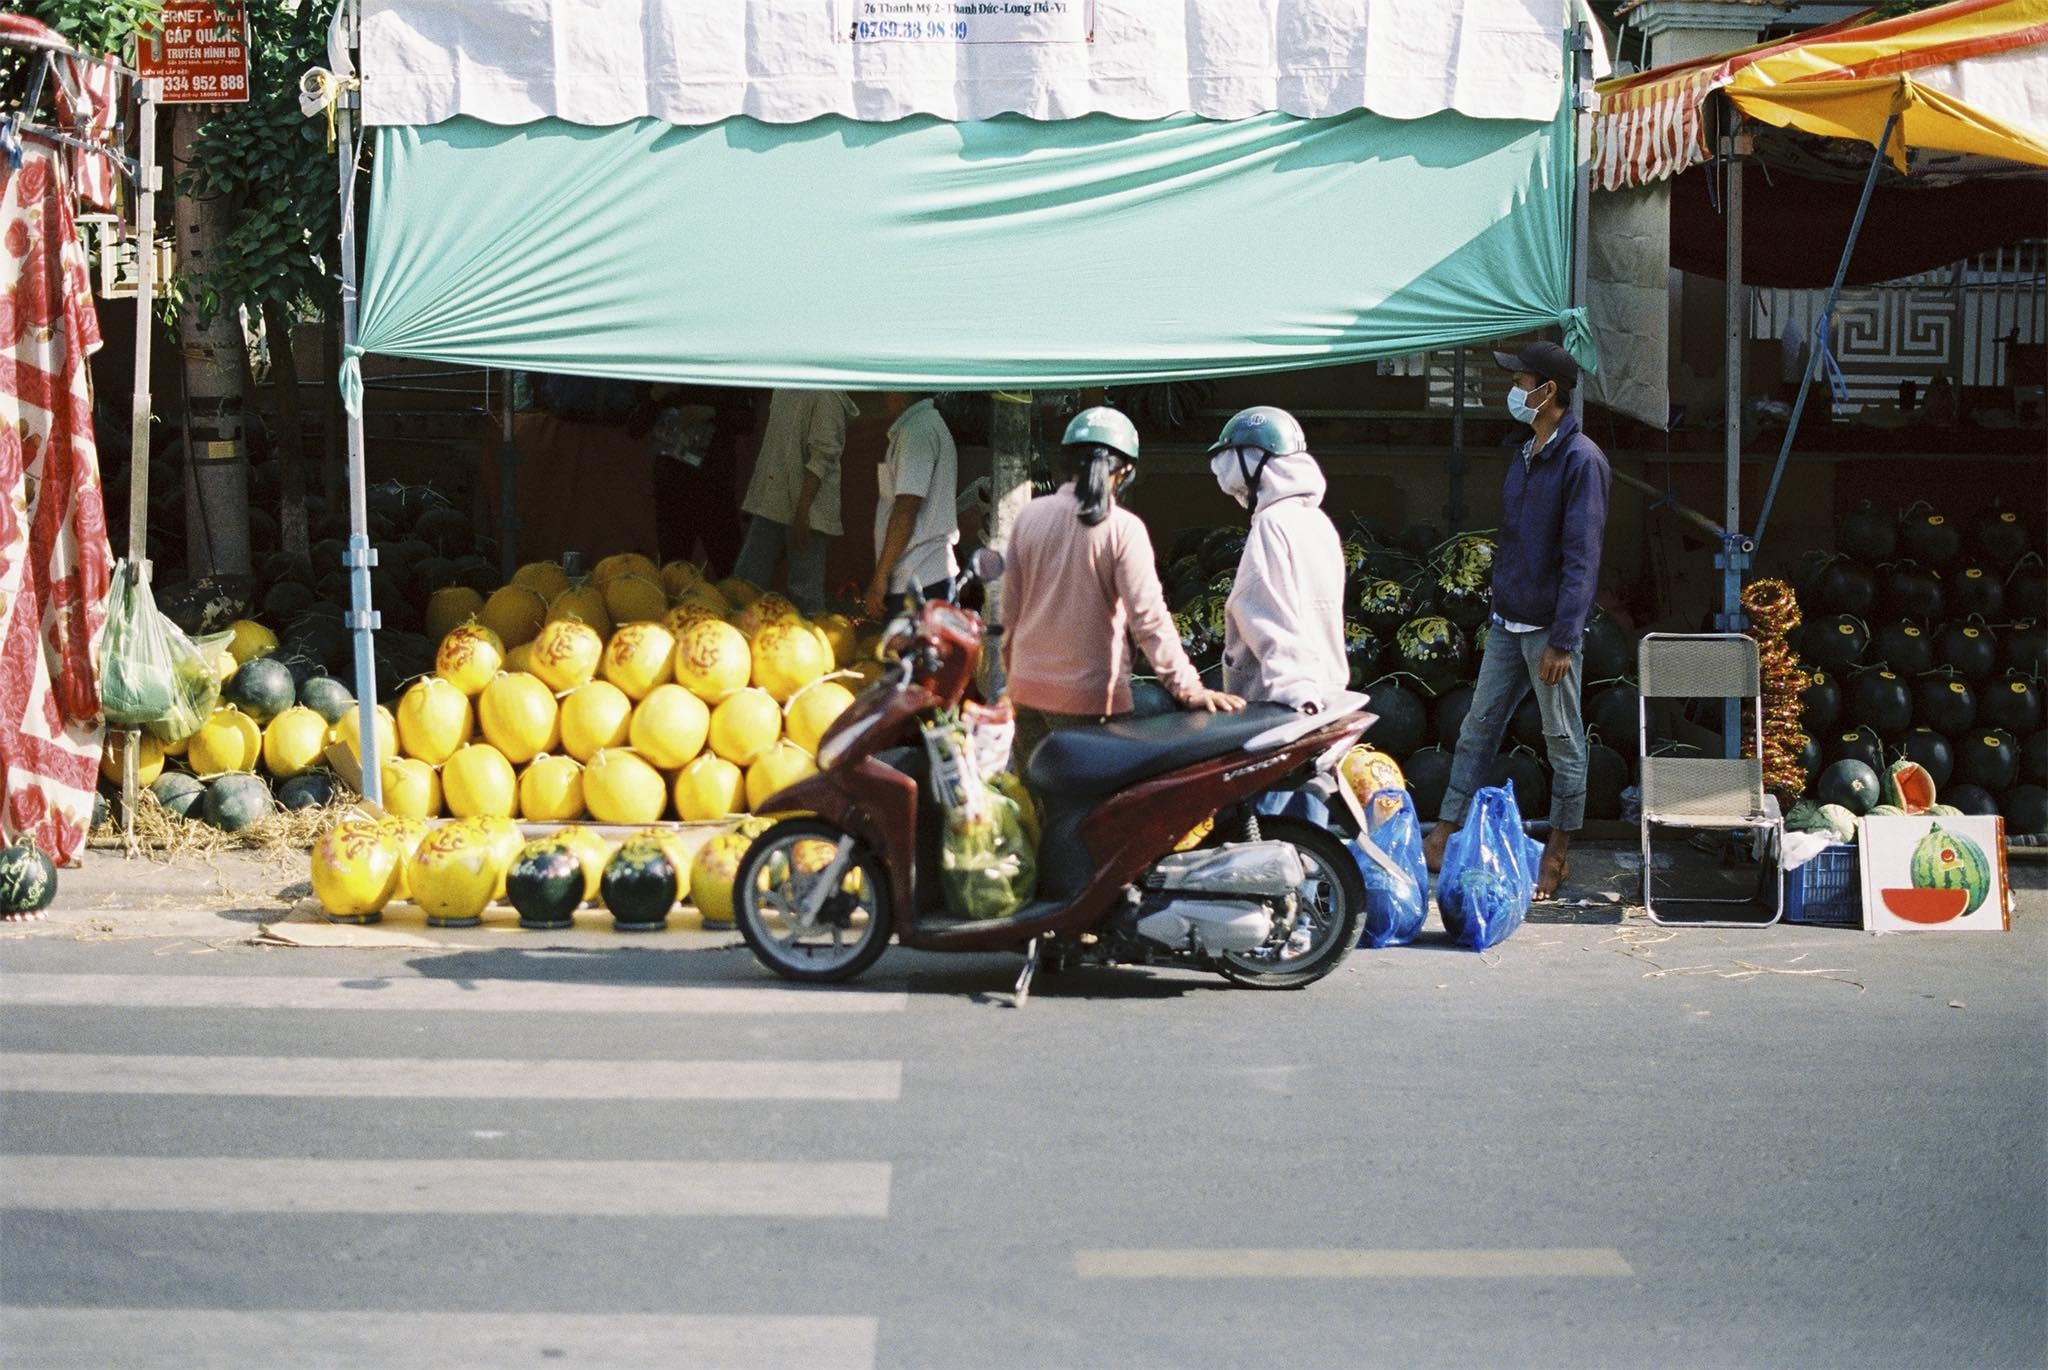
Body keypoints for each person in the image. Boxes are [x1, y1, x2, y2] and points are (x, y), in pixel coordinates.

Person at [1423, 341, 1610, 900]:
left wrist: (1563, 639)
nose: (1512, 390)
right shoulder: (1526, 452)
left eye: (1520, 381)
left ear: (1548, 391)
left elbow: (1582, 558)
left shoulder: (1582, 461)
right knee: (1477, 726)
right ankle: (1445, 831)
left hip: (1550, 632)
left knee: (1562, 739)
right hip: (1508, 622)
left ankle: (1556, 853)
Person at [1002, 407, 1243, 771]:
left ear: (1068, 459)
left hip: (1026, 691)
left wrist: (1012, 681)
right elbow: (1148, 621)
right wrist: (1188, 688)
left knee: (1037, 809)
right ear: (1127, 470)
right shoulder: (1121, 528)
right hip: (1086, 698)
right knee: (1093, 812)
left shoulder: (1029, 517)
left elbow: (1008, 614)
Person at [1207, 406, 1348, 713]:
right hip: (1327, 691)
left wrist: (1295, 690)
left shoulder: (1273, 523)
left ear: (1253, 461)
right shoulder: (1317, 521)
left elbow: (1266, 612)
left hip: (1280, 701)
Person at [732, 388, 857, 614]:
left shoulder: (826, 394)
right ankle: (741, 635)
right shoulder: (783, 385)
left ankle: (809, 641)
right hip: (773, 500)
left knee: (805, 592)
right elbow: (775, 448)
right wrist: (757, 496)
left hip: (809, 509)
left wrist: (803, 511)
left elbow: (823, 454)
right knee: (746, 581)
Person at [864, 393, 959, 620]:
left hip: (918, 577)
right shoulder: (923, 425)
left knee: (912, 654)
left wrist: (880, 577)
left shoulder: (917, 431)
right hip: (922, 576)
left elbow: (906, 510)